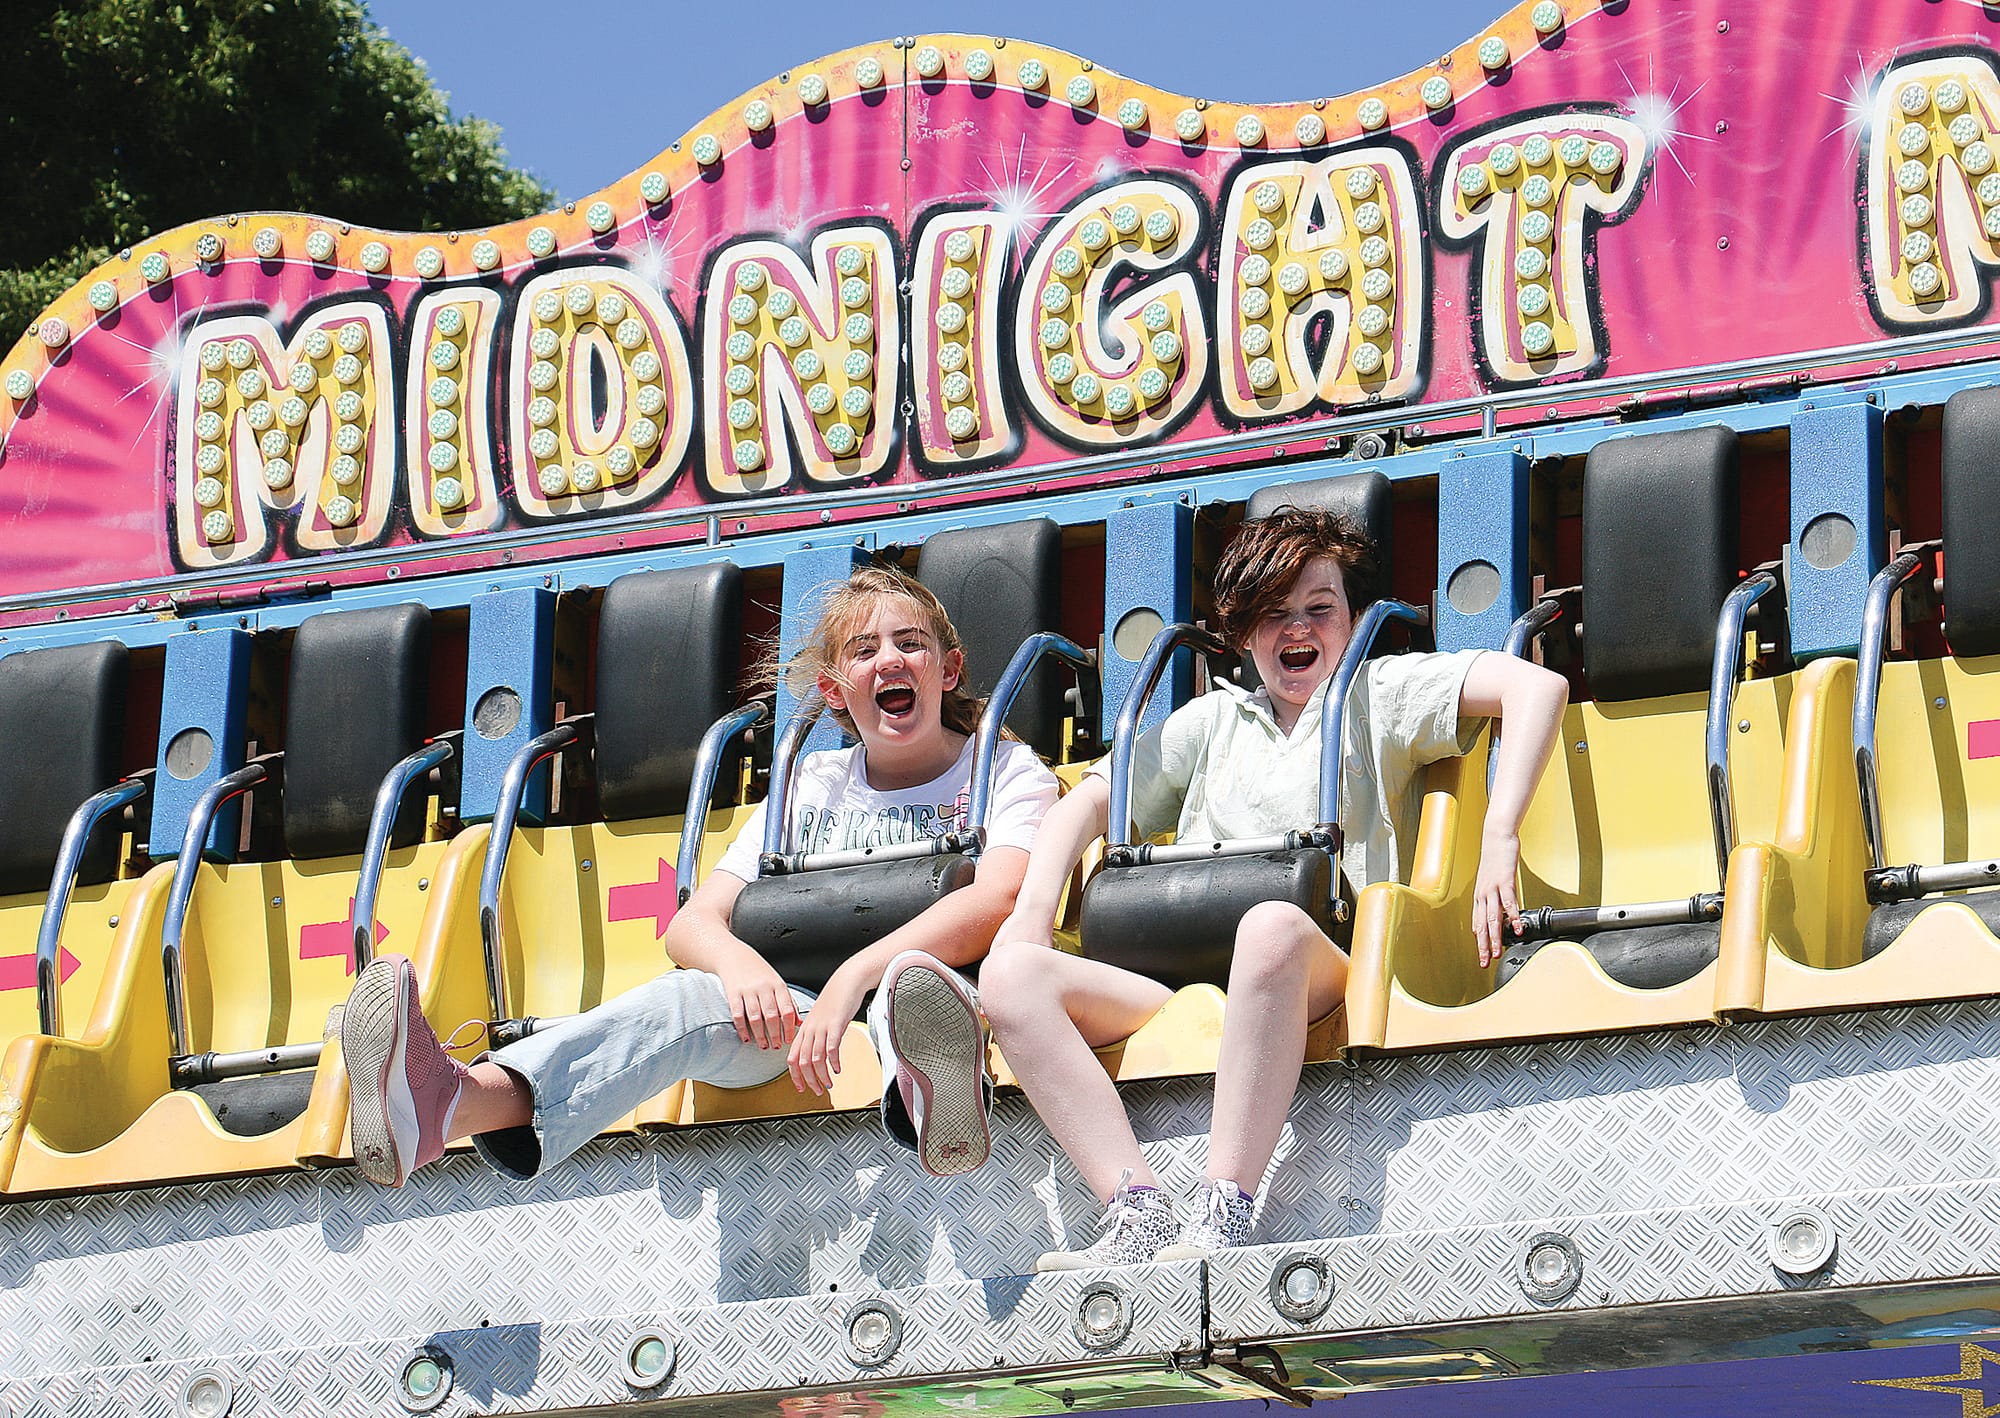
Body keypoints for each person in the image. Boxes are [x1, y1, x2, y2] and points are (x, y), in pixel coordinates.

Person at [942, 504, 1568, 1269]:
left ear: (1355, 619)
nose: (1296, 630)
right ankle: (1134, 1207)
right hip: (1189, 977)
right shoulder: (1213, 722)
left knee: (1269, 927)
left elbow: (1538, 687)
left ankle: (1226, 1208)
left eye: (1318, 609)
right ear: (1241, 632)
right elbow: (1089, 800)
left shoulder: (1380, 692)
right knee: (1009, 974)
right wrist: (1033, 914)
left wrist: (1499, 836)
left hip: (1319, 964)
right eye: (1273, 614)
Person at [340, 565, 1058, 1188]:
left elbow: (997, 899)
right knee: (686, 998)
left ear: (949, 670)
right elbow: (689, 925)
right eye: (864, 651)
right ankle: (450, 1102)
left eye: (911, 645)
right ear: (837, 692)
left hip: (937, 994)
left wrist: (855, 980)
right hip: (799, 1015)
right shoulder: (809, 783)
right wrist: (740, 964)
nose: (890, 660)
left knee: (914, 989)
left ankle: (934, 1104)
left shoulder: (1001, 770)